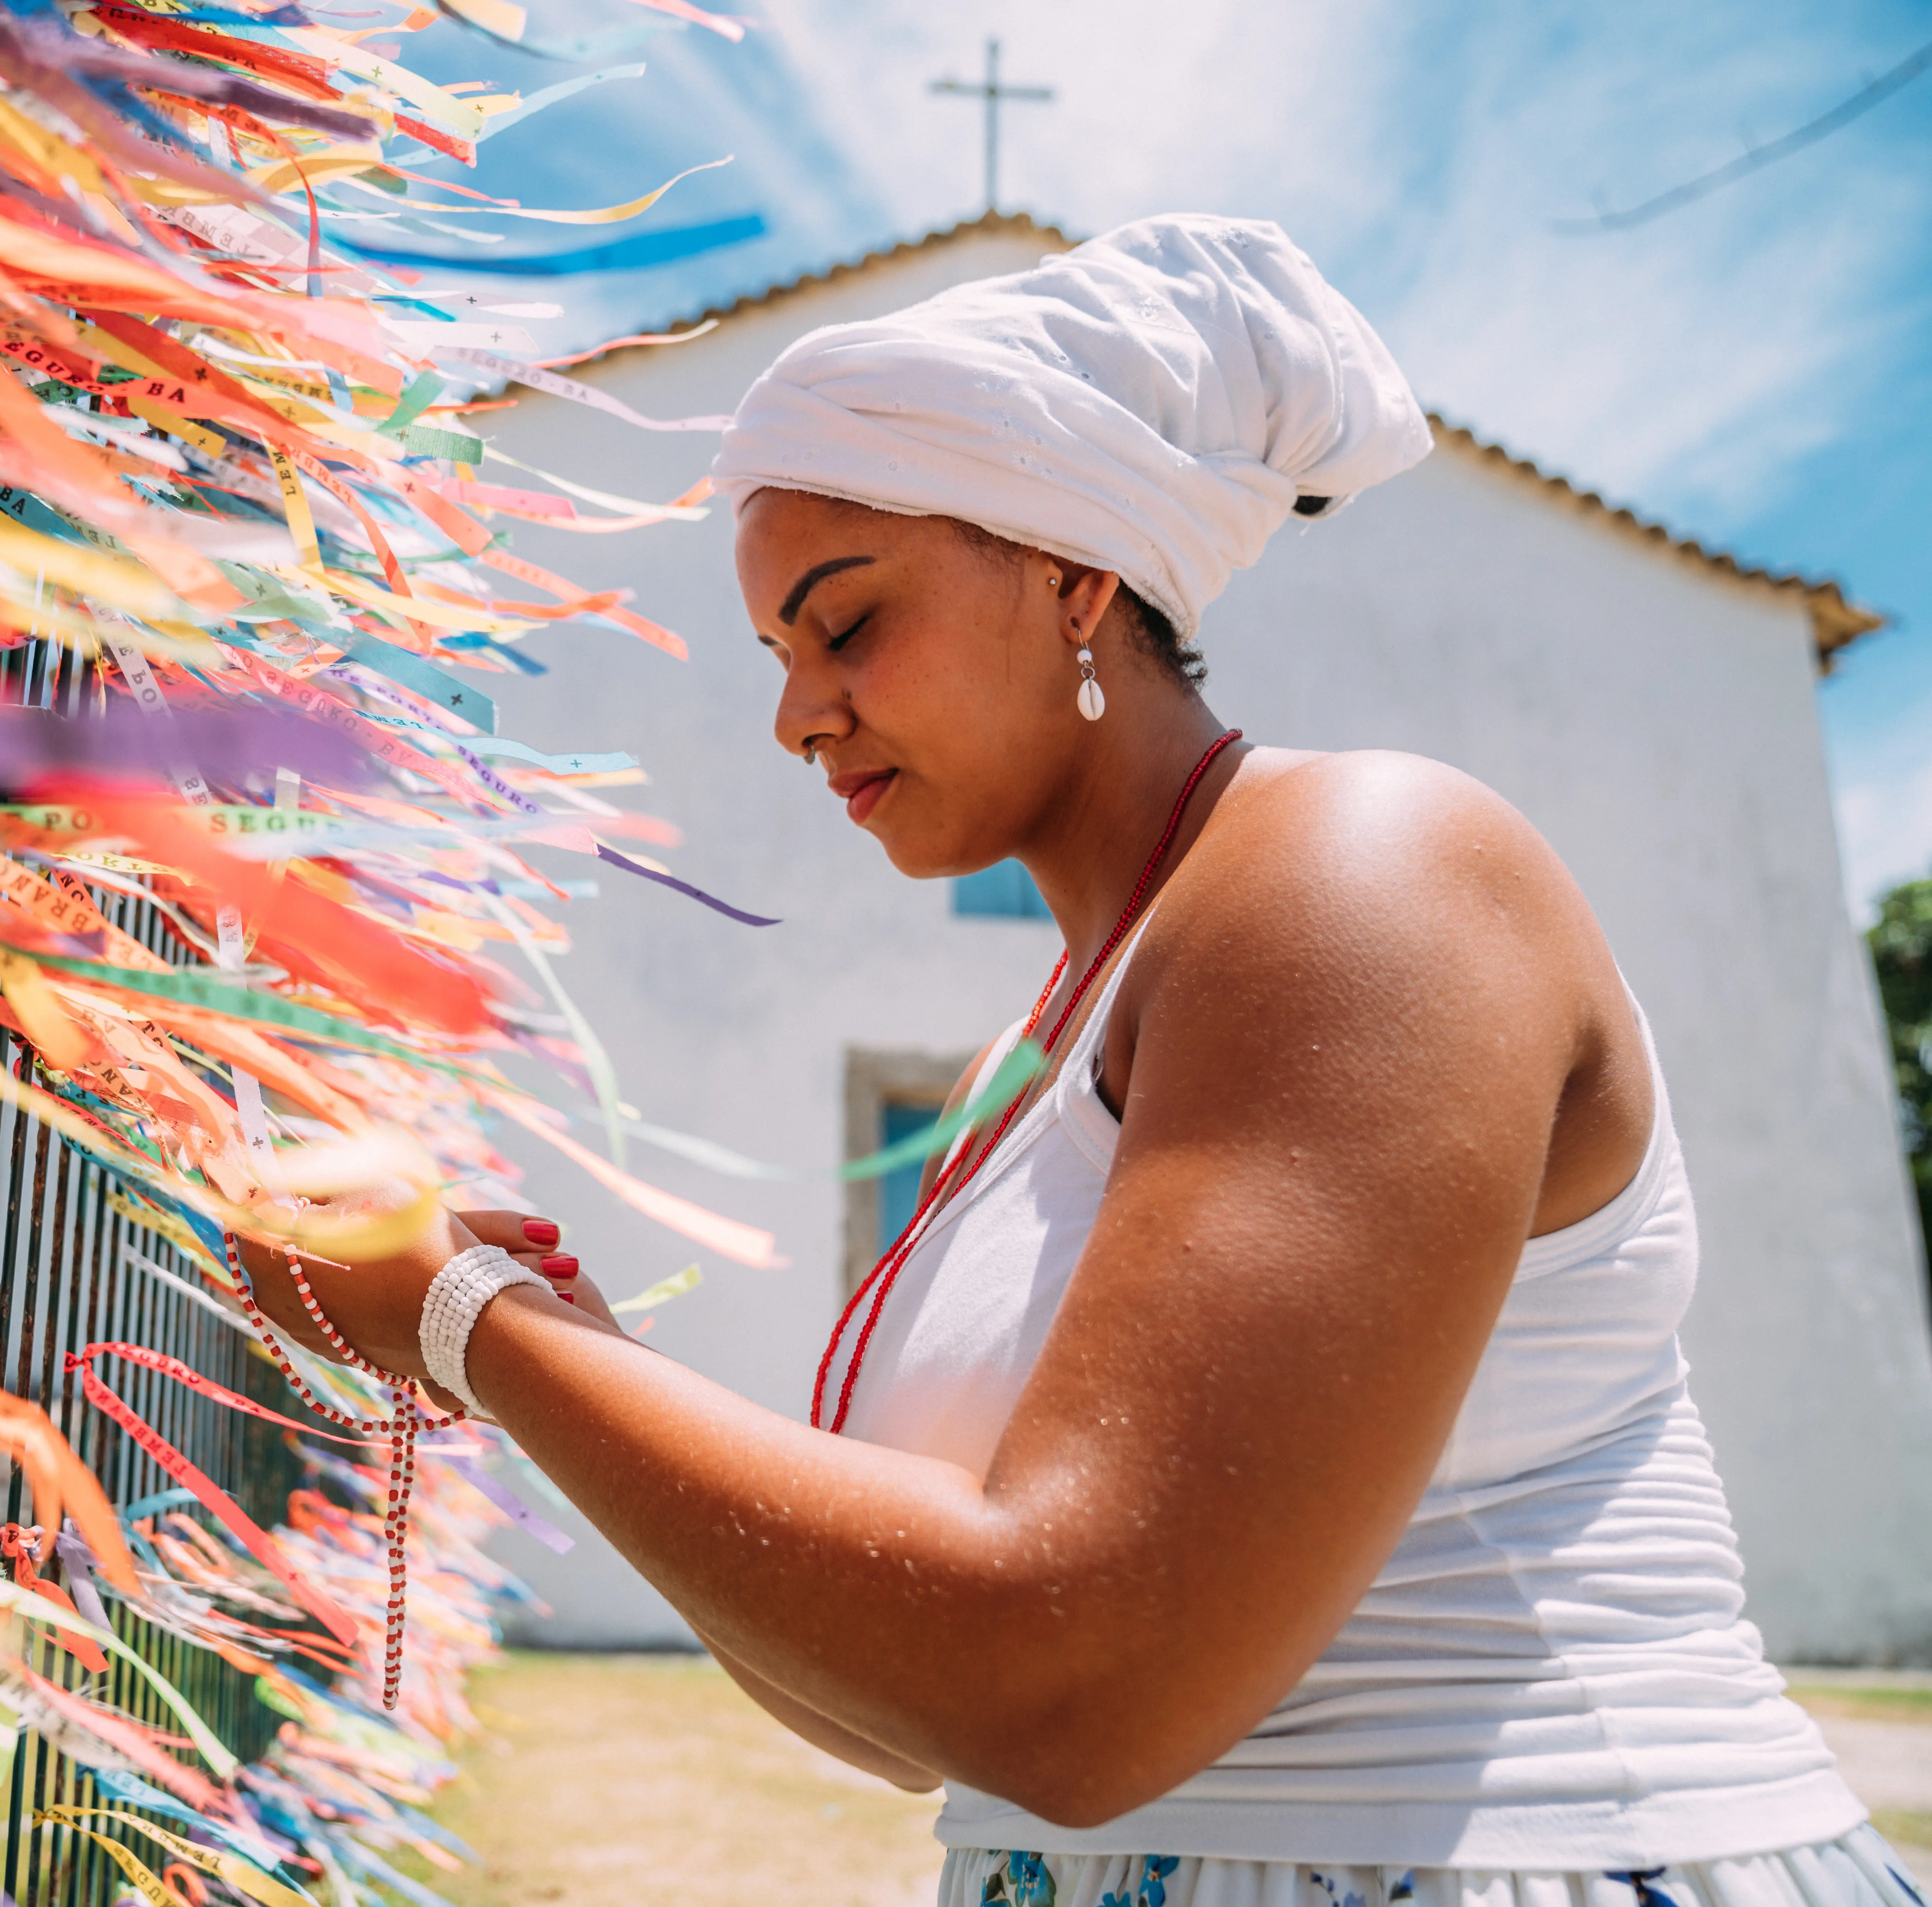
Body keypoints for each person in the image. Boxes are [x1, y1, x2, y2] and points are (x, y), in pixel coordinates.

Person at [232, 216, 1921, 1907]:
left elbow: (1070, 1681)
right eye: (775, 658)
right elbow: (901, 1712)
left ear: (1072, 576)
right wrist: (558, 1344)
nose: (794, 715)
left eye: (844, 625)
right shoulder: (1054, 1041)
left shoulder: (1362, 876)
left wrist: (474, 1328)